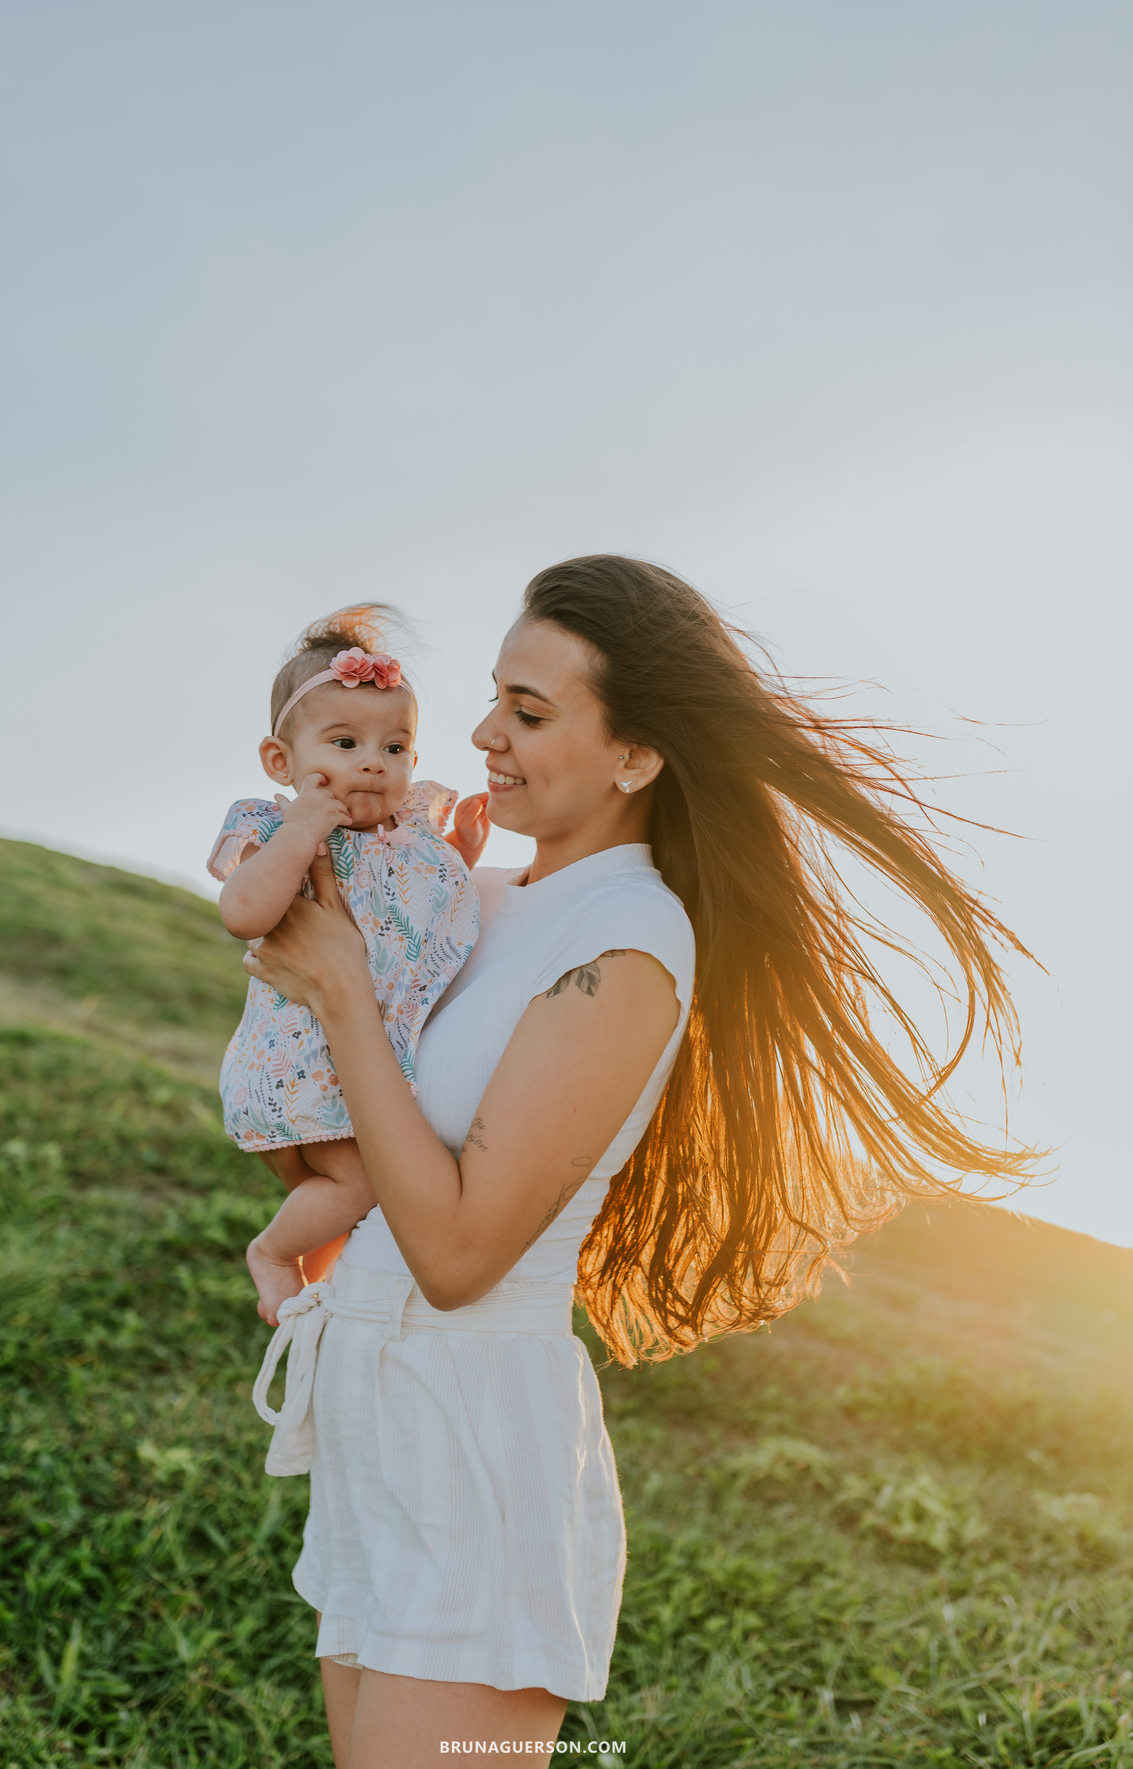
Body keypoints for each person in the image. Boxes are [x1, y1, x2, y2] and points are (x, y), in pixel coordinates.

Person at [246, 556, 1035, 1767]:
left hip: (475, 1443)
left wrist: (344, 993)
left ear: (637, 755)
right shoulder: (478, 895)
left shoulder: (629, 943)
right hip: (378, 1407)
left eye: (529, 711)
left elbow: (458, 1256)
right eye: (495, 696)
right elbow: (375, 1147)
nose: (480, 734)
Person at [207, 608, 487, 1323]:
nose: (373, 762)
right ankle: (272, 1254)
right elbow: (243, 913)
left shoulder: (409, 835)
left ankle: (319, 1286)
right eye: (344, 741)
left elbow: (421, 916)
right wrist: (300, 834)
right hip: (299, 1060)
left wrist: (461, 855)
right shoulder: (275, 827)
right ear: (282, 762)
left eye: (395, 747)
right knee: (362, 1182)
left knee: (364, 1196)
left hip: (362, 1059)